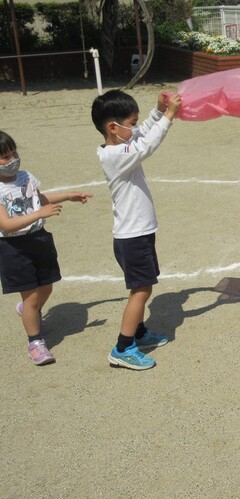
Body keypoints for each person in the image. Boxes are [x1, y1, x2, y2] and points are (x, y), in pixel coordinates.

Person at [91, 89, 182, 371]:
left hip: (137, 233)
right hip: (132, 237)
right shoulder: (116, 156)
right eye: (131, 122)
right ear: (112, 127)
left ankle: (140, 333)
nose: (135, 127)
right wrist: (168, 116)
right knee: (141, 290)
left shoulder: (120, 145)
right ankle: (123, 347)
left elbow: (140, 135)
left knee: (144, 286)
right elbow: (147, 145)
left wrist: (156, 112)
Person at [0, 130, 92, 365]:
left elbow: (39, 199)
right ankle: (35, 341)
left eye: (13, 153)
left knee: (47, 287)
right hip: (13, 247)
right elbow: (7, 225)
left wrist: (68, 196)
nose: (12, 160)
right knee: (31, 297)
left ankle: (27, 310)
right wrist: (38, 214)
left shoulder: (26, 177)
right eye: (5, 157)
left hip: (39, 239)